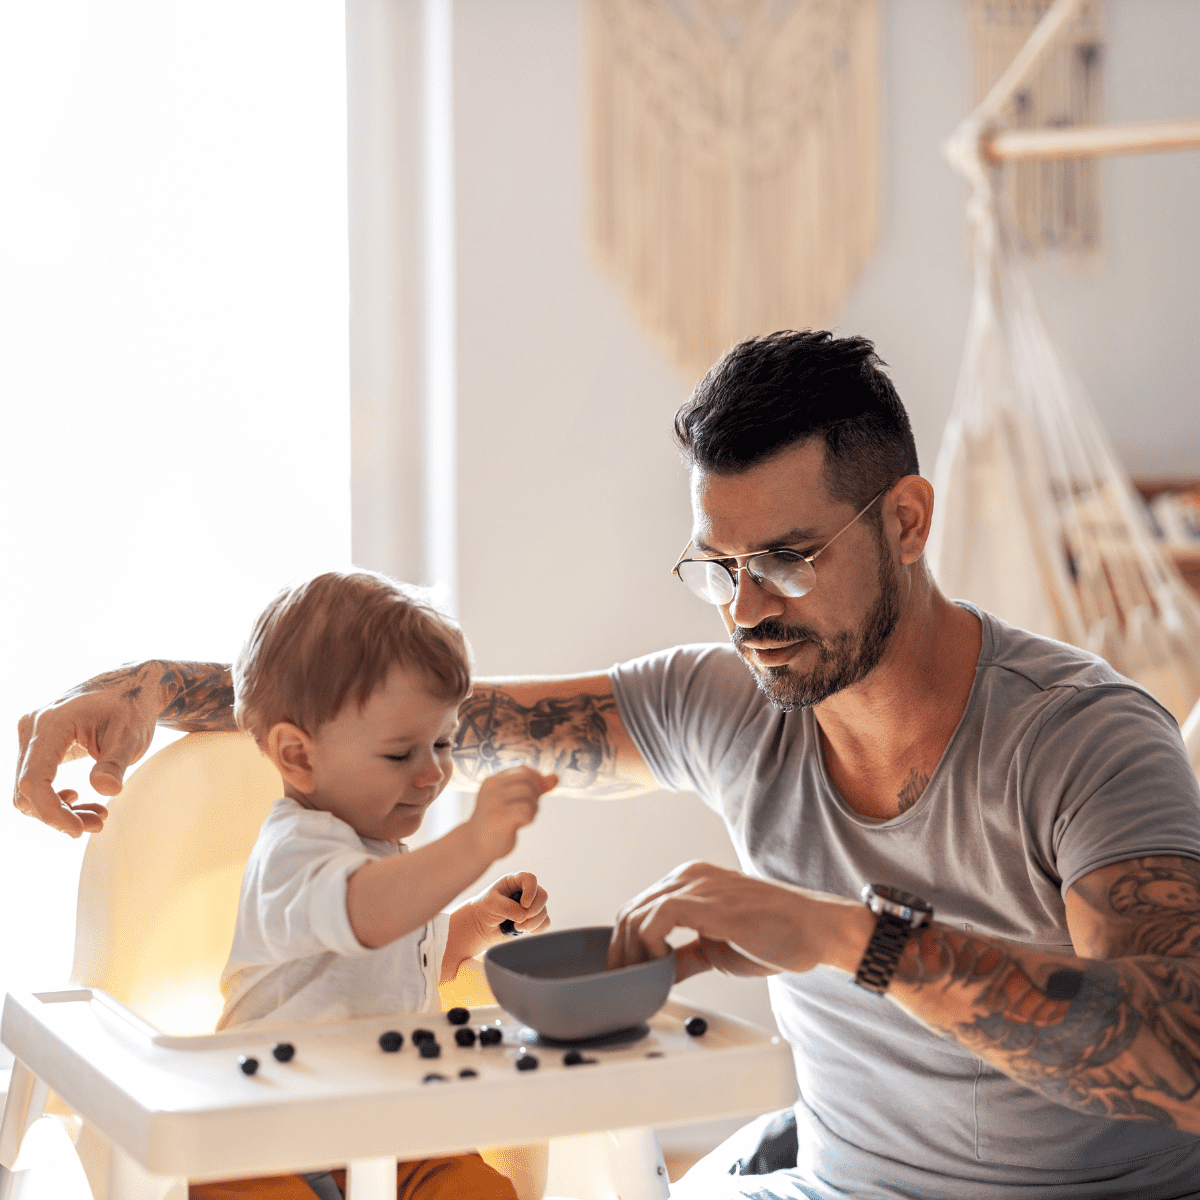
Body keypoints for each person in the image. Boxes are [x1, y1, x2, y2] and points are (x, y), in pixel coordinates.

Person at [15, 330, 1200, 1199]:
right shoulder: (733, 700)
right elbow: (404, 717)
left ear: (906, 522)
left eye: (785, 558)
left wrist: (848, 936)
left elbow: (1181, 1055)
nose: (746, 609)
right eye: (717, 565)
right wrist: (145, 691)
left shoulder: (1083, 739)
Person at [192, 569, 557, 1200]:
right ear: (298, 756)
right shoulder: (295, 853)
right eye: (401, 754)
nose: (435, 774)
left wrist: (475, 923)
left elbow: (403, 963)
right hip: (259, 1131)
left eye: (442, 742)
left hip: (390, 1129)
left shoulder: (385, 858)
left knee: (477, 1187)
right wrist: (471, 843)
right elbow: (367, 915)